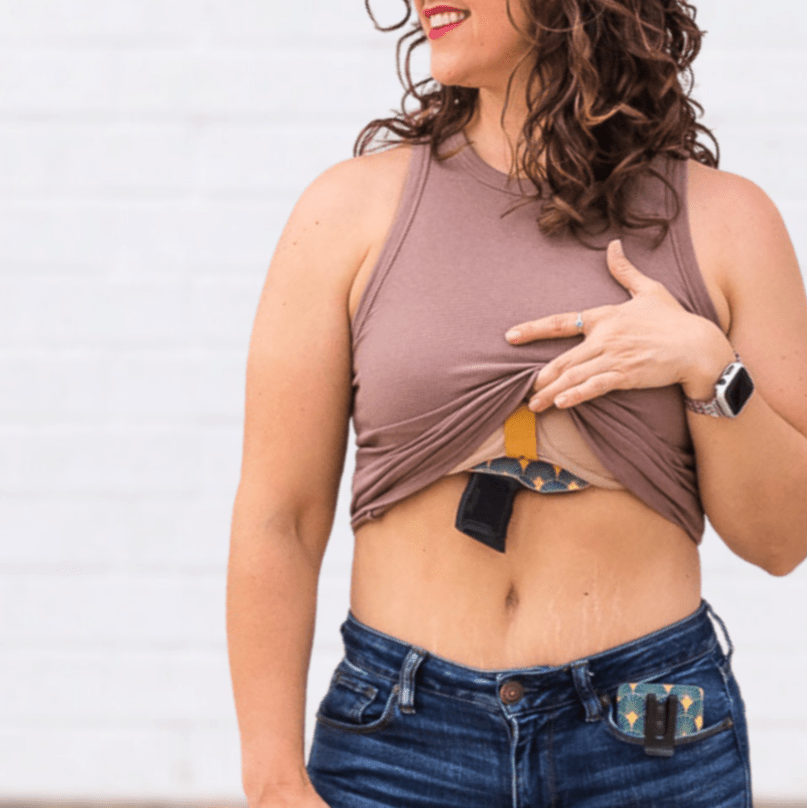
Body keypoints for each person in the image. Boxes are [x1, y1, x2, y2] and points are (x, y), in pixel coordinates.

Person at [226, 0, 807, 806]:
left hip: (651, 736)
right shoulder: (345, 213)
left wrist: (708, 364)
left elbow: (782, 540)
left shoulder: (729, 221)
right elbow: (279, 518)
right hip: (398, 743)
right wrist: (271, 781)